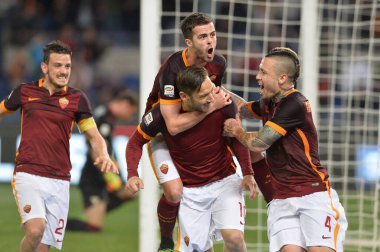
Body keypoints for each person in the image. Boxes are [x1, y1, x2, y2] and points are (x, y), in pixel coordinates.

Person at [223, 47, 348, 252]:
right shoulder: (269, 103)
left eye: (263, 72)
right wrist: (214, 88)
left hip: (312, 193)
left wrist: (236, 131)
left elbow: (260, 143)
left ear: (282, 78)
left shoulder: (295, 103)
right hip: (282, 198)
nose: (257, 76)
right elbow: (243, 108)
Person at [0, 40, 117, 252]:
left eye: (67, 66)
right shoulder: (24, 92)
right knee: (35, 230)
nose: (63, 71)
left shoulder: (77, 99)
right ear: (45, 67)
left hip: (60, 179)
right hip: (28, 172)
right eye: (58, 65)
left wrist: (104, 154)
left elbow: (94, 135)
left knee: (43, 247)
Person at [127, 65, 258, 251]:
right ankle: (166, 240)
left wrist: (247, 172)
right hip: (192, 192)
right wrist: (132, 173)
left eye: (211, 90)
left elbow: (235, 138)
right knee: (201, 248)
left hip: (225, 180)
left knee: (235, 238)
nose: (212, 98)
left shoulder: (224, 102)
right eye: (204, 96)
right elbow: (134, 143)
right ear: (184, 97)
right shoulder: (160, 116)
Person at [142, 12, 236, 251]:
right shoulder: (172, 70)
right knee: (174, 192)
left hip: (192, 131)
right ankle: (165, 239)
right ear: (189, 42)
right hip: (164, 134)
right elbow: (172, 125)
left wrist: (247, 108)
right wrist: (212, 108)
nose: (210, 41)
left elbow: (217, 97)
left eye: (212, 34)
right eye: (203, 36)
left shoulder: (218, 64)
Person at [66, 90, 138, 232]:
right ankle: (52, 224)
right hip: (94, 176)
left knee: (130, 193)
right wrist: (112, 178)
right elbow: (95, 150)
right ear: (125, 104)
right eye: (132, 112)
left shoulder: (106, 115)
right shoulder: (103, 116)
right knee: (93, 227)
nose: (131, 116)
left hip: (102, 173)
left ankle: (95, 210)